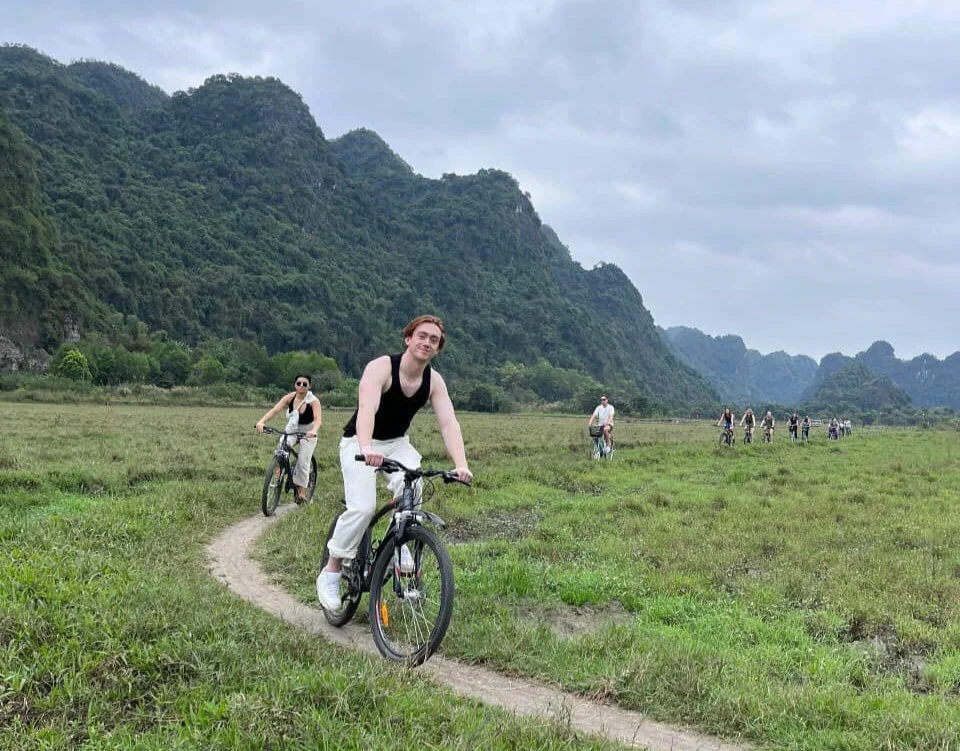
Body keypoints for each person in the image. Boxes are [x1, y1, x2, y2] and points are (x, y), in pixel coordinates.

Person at [316, 315, 472, 612]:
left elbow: (449, 423)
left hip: (397, 442)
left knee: (414, 483)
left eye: (434, 340)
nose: (427, 342)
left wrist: (461, 465)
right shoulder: (382, 368)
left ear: (438, 348)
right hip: (359, 441)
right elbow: (367, 408)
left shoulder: (434, 381)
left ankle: (399, 542)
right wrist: (366, 447)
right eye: (422, 336)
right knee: (363, 508)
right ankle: (331, 571)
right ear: (408, 338)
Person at [255, 374, 321, 503]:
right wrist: (261, 421)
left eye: (305, 384)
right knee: (281, 449)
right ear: (294, 385)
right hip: (291, 430)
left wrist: (313, 431)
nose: (301, 386)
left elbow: (318, 420)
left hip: (307, 433)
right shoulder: (289, 397)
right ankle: (278, 475)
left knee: (303, 462)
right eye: (298, 383)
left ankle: (302, 492)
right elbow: (275, 410)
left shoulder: (313, 401)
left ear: (309, 386)